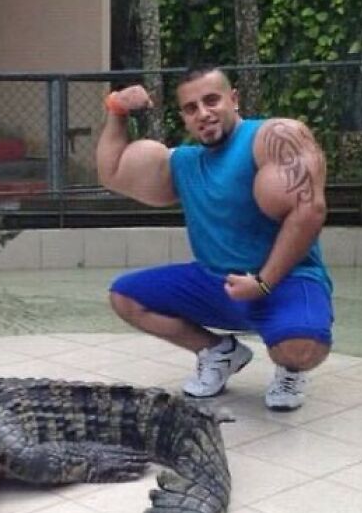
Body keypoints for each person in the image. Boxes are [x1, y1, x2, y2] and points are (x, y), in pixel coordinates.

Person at [97, 67, 333, 411]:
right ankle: (219, 353)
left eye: (211, 100)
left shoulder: (272, 137)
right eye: (191, 108)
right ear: (184, 118)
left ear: (234, 99)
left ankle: (290, 370)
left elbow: (309, 211)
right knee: (126, 297)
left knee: (300, 348)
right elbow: (112, 172)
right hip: (217, 283)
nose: (203, 113)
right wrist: (116, 110)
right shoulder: (184, 164)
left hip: (284, 281)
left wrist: (263, 283)